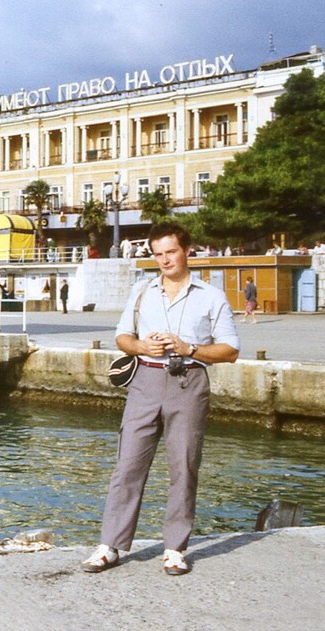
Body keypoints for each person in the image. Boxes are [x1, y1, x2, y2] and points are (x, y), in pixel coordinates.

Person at [82, 222, 239, 577]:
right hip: (144, 381)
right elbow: (122, 336)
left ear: (187, 251)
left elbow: (230, 350)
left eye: (170, 252)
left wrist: (190, 348)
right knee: (128, 465)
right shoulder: (142, 291)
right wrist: (141, 346)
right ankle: (110, 545)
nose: (164, 260)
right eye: (158, 254)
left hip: (189, 381)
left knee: (183, 467)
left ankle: (174, 549)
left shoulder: (211, 296)